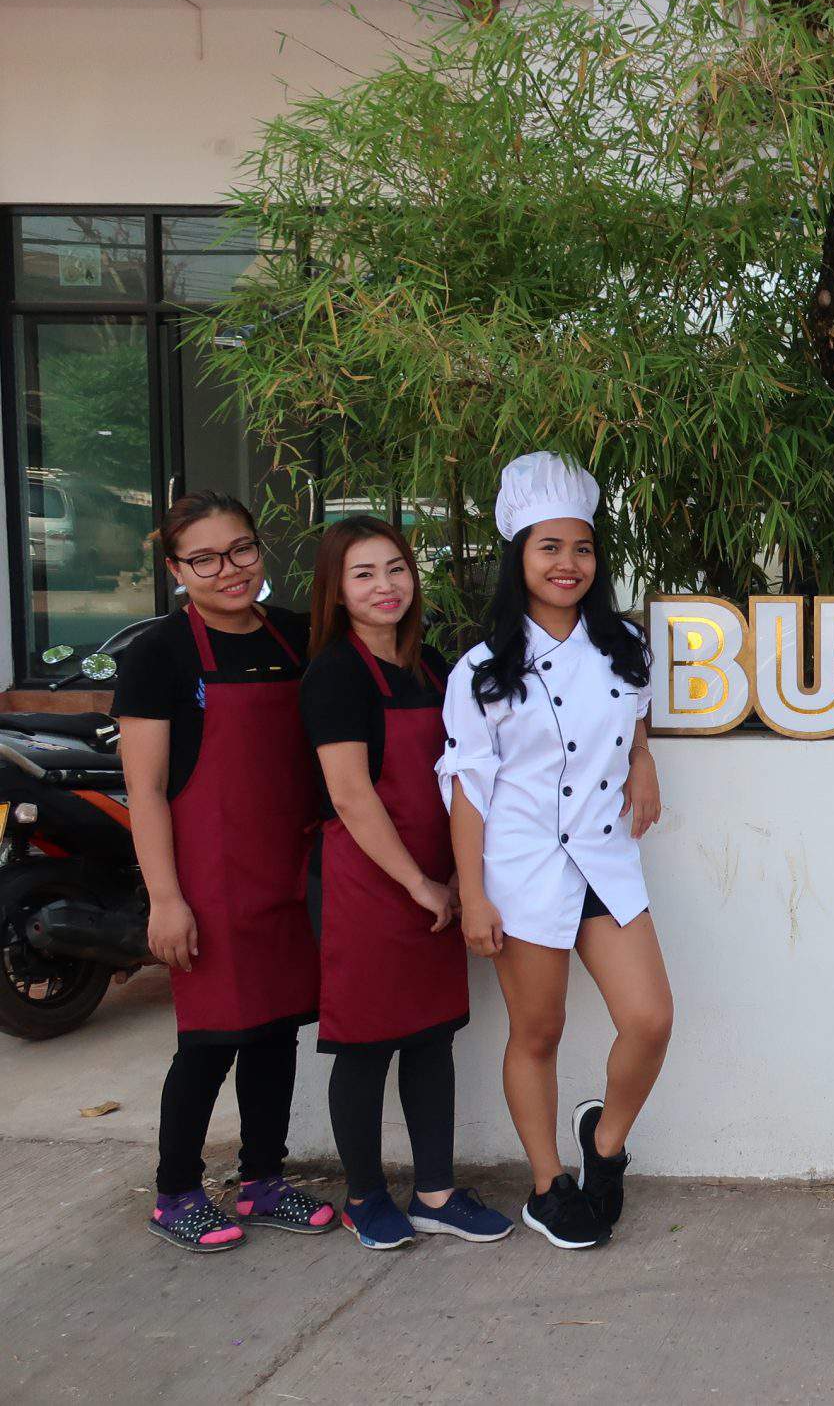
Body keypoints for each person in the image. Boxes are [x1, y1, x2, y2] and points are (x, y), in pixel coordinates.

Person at [439, 452, 672, 1250]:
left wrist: (643, 757)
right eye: (549, 547)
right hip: (525, 866)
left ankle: (604, 1146)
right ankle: (548, 1186)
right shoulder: (482, 669)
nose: (568, 563)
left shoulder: (624, 644)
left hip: (604, 858)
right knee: (538, 1033)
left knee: (650, 1018)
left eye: (582, 547)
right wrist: (473, 894)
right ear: (519, 556)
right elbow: (468, 789)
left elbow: (631, 714)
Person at [115, 491, 336, 1252]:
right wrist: (165, 898)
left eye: (240, 549)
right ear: (176, 570)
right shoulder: (159, 654)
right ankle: (175, 1191)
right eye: (204, 559)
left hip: (285, 867)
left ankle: (262, 1180)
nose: (229, 569)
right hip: (206, 877)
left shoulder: (297, 635)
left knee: (276, 1029)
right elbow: (146, 789)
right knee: (209, 1040)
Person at [301, 516, 514, 1251]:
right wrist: (420, 883)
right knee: (365, 1045)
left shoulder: (432, 666)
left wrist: (458, 868)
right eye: (363, 574)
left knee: (430, 1036)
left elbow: (468, 770)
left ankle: (435, 1192)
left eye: (396, 568)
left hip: (438, 874)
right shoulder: (334, 673)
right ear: (336, 590)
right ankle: (365, 1195)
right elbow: (351, 795)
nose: (385, 586)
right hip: (366, 883)